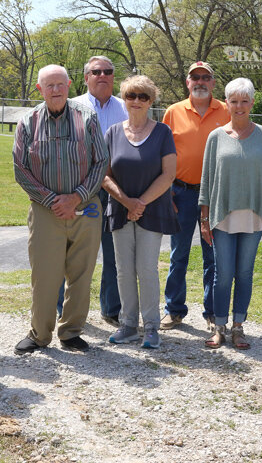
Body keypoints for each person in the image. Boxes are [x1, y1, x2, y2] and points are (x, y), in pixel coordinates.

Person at [12, 64, 108, 355]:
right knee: (45, 275)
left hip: (85, 207)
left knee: (81, 273)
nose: (56, 90)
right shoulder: (27, 122)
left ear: (69, 85)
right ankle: (40, 334)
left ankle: (71, 332)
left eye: (60, 84)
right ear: (40, 89)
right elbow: (20, 169)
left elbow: (101, 162)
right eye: (49, 85)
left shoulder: (87, 117)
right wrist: (53, 200)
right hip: (45, 210)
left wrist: (76, 197)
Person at [198, 78, 262, 349]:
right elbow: (207, 181)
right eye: (234, 101)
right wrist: (204, 219)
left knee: (244, 273)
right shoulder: (216, 137)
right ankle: (219, 326)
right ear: (227, 104)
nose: (239, 106)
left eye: (245, 100)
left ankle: (238, 327)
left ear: (252, 103)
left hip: (255, 216)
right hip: (222, 217)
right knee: (223, 275)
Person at [102, 76, 178, 349]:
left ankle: (152, 327)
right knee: (123, 270)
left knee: (146, 269)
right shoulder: (112, 133)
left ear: (151, 101)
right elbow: (104, 175)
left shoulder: (163, 133)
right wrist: (126, 202)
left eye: (142, 96)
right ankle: (128, 325)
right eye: (131, 95)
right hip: (120, 210)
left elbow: (169, 174)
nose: (136, 101)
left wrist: (140, 203)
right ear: (124, 99)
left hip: (153, 210)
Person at [161, 61, 230, 330]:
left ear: (213, 82)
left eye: (206, 77)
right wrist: (165, 192)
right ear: (187, 82)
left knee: (213, 255)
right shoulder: (173, 111)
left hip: (215, 194)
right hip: (180, 191)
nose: (200, 81)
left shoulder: (226, 111)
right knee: (178, 254)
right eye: (195, 77)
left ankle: (212, 312)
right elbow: (162, 154)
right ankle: (174, 309)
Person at [70, 55, 128, 326]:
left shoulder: (126, 107)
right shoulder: (73, 106)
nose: (102, 75)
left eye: (107, 71)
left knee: (113, 252)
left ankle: (111, 309)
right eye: (96, 71)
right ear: (86, 77)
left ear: (113, 76)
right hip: (82, 188)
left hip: (115, 188)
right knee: (73, 252)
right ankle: (64, 309)